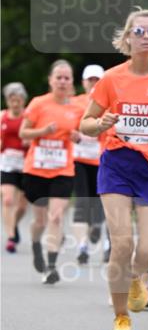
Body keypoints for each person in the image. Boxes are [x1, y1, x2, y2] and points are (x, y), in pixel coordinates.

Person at [80, 9, 148, 330]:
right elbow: (85, 123)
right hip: (118, 164)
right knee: (122, 244)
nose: (146, 38)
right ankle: (121, 317)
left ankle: (138, 277)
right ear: (127, 37)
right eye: (139, 32)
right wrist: (102, 124)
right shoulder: (111, 79)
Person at [19, 61, 81, 284]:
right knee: (40, 221)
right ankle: (36, 244)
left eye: (67, 78)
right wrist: (43, 131)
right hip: (36, 169)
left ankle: (51, 266)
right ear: (50, 80)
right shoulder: (38, 104)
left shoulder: (76, 108)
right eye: (59, 77)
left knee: (55, 216)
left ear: (71, 82)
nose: (63, 82)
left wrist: (77, 136)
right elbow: (23, 133)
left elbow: (82, 132)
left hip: (63, 169)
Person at [71, 65, 105, 264]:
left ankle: (95, 226)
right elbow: (64, 127)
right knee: (82, 201)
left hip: (101, 159)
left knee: (98, 201)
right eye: (90, 80)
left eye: (96, 80)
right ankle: (82, 246)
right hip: (79, 159)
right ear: (83, 82)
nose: (93, 83)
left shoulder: (107, 103)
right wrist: (73, 135)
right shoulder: (74, 103)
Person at [1, 82, 28, 252]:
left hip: (25, 164)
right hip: (7, 163)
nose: (15, 104)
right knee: (8, 199)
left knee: (23, 205)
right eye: (12, 101)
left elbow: (36, 138)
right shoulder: (2, 116)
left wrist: (29, 141)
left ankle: (15, 224)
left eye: (18, 100)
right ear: (7, 101)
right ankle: (11, 237)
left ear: (23, 100)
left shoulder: (29, 117)